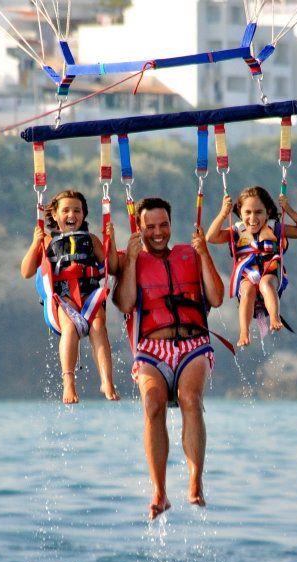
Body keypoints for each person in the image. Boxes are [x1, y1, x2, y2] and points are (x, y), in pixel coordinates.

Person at [114, 197, 224, 520]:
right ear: (140, 228)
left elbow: (216, 297)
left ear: (171, 224)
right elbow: (124, 304)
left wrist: (204, 253)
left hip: (193, 345)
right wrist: (132, 260)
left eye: (164, 225)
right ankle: (160, 492)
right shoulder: (130, 258)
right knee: (152, 405)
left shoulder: (190, 253)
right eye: (150, 227)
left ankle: (195, 482)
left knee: (190, 397)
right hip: (152, 349)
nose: (158, 232)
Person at [20, 189, 120, 404]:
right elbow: (26, 271)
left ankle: (106, 380)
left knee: (98, 327)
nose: (71, 215)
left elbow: (111, 267)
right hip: (64, 298)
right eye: (65, 210)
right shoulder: (47, 240)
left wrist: (111, 241)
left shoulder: (91, 240)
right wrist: (34, 243)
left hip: (89, 295)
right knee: (70, 328)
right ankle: (69, 383)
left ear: (84, 214)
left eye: (77, 210)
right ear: (55, 215)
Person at [206, 186, 297, 347]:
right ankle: (244, 332)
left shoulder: (275, 228)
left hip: (270, 270)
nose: (252, 218)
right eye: (247, 212)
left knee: (265, 283)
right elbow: (211, 237)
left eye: (258, 212)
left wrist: (288, 209)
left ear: (268, 212)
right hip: (247, 274)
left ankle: (274, 318)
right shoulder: (237, 231)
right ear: (240, 213)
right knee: (247, 290)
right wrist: (223, 213)